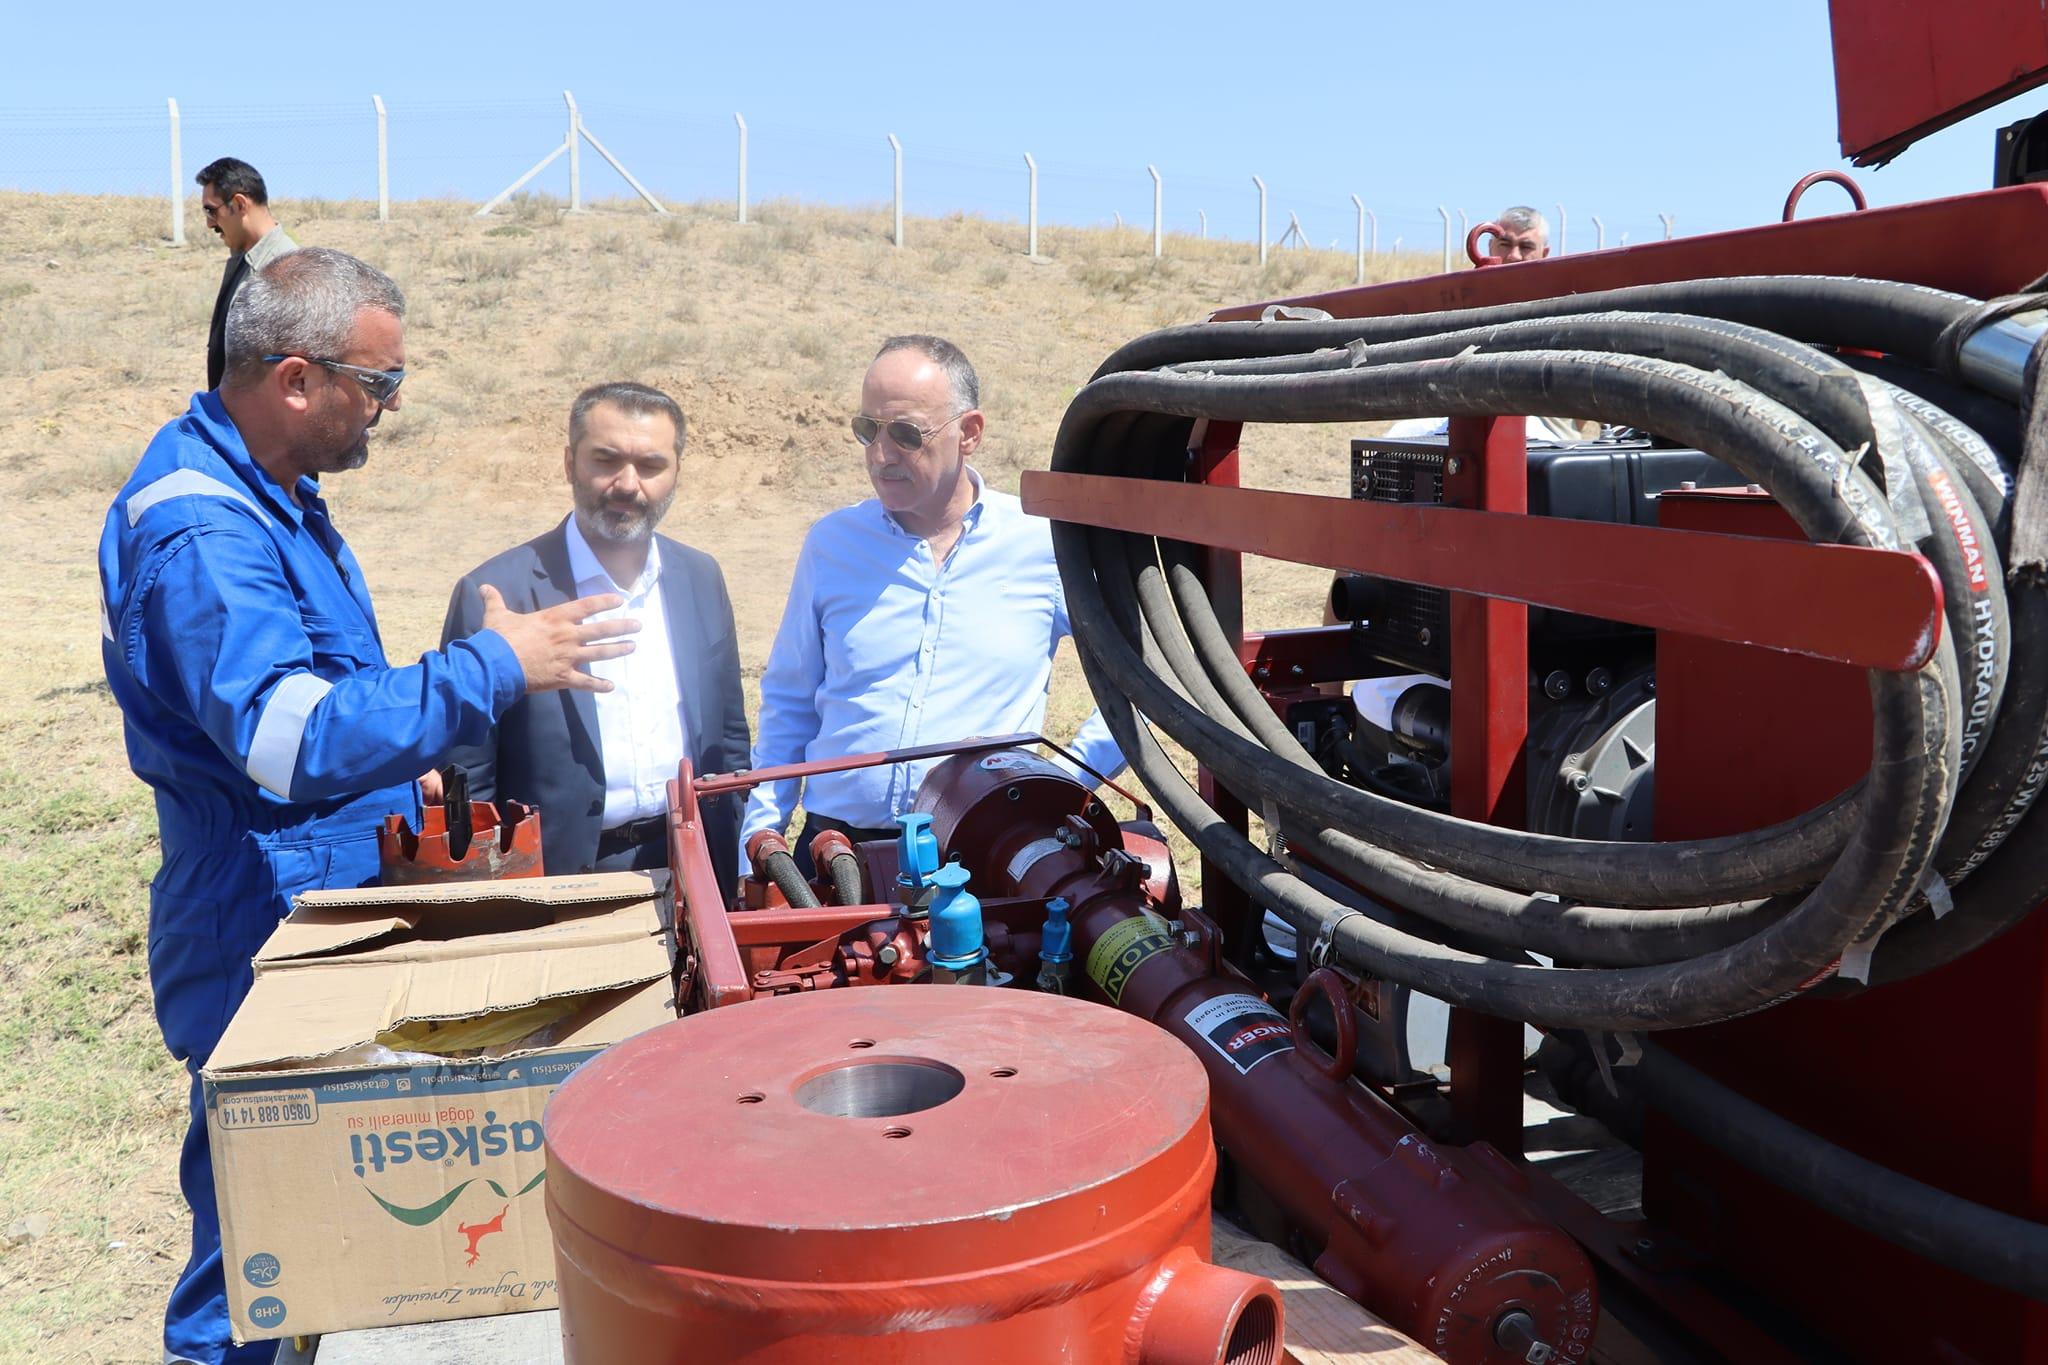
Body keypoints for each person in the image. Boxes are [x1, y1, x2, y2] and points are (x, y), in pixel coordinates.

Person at [98, 248, 638, 1365]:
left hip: (305, 895)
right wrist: (488, 670)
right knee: (254, 1255)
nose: (393, 407)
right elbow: (283, 740)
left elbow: (320, 693)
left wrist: (411, 772)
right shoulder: (202, 531)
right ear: (297, 379)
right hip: (256, 918)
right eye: (379, 383)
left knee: (307, 1242)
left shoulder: (271, 496)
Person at [742, 334, 1123, 874]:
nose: (880, 455)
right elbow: (789, 700)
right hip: (834, 850)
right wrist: (759, 841)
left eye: (905, 434)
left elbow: (1136, 684)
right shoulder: (831, 544)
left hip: (986, 848)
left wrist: (1065, 783)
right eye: (867, 430)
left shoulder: (1043, 544)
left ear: (970, 433)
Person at [438, 382, 750, 892]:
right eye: (605, 460)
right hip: (551, 878)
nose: (628, 484)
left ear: (676, 473)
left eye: (651, 465)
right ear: (569, 462)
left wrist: (732, 856)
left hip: (693, 865)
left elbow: (730, 738)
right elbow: (469, 774)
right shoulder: (496, 594)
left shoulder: (700, 576)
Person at [195, 157, 299, 391]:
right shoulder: (247, 260)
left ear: (240, 204)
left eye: (211, 211)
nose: (210, 224)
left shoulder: (284, 268)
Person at [1485, 204, 1550, 262]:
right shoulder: (1475, 275)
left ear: (1544, 254)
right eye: (1505, 245)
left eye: (1526, 247)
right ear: (1490, 247)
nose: (1514, 256)